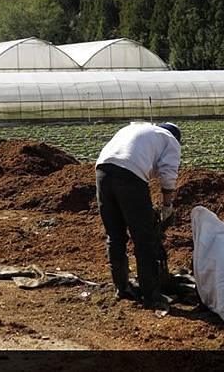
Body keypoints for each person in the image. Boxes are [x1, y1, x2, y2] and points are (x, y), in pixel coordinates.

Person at [95, 121, 181, 311]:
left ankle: (122, 288)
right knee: (144, 239)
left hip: (102, 172)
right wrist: (167, 205)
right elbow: (168, 175)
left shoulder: (135, 129)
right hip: (129, 176)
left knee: (115, 235)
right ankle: (151, 297)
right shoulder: (170, 140)